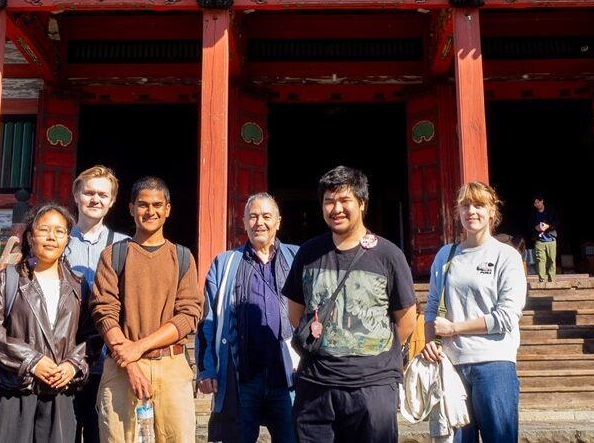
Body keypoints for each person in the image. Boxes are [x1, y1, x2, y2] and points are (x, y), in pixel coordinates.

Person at [282, 166, 416, 443]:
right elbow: (296, 313)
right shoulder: (308, 253)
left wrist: (372, 355)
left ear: (362, 204)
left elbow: (406, 319)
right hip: (316, 385)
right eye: (329, 201)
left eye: (345, 201)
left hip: (372, 386)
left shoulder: (388, 255)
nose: (336, 209)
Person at [90, 176, 201, 442]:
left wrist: (139, 347)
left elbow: (189, 315)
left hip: (172, 365)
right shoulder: (114, 255)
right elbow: (103, 312)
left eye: (157, 205)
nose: (150, 212)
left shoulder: (182, 257)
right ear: (130, 208)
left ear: (167, 210)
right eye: (142, 205)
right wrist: (130, 363)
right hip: (120, 367)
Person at [422, 182, 528, 443]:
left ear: (493, 211)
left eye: (479, 205)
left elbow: (506, 317)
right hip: (451, 365)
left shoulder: (507, 256)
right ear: (458, 212)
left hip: (494, 363)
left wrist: (455, 328)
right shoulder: (446, 255)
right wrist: (429, 343)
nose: (472, 211)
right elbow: (432, 305)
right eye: (465, 205)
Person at [0, 202, 90, 442]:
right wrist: (31, 361)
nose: (52, 237)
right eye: (44, 230)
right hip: (15, 388)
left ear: (67, 239)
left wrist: (73, 364)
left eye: (59, 231)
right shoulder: (8, 280)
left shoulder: (79, 285)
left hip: (62, 391)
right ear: (30, 236)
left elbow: (92, 335)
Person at [196, 193, 300, 443]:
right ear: (243, 222)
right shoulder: (225, 263)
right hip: (241, 378)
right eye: (253, 216)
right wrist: (206, 368)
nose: (259, 223)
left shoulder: (297, 258)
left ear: (278, 221)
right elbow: (207, 321)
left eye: (266, 216)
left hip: (288, 377)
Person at [63, 166, 130, 443]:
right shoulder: (59, 242)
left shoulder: (124, 245)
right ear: (76, 195)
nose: (95, 199)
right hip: (64, 361)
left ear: (112, 201)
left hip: (107, 364)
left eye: (103, 194)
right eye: (89, 192)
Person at [529, 195, 559, 283]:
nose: (536, 204)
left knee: (551, 260)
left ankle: (552, 280)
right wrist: (535, 227)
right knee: (540, 260)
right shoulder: (533, 213)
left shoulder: (551, 210)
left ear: (542, 201)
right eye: (535, 203)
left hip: (551, 239)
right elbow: (529, 225)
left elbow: (557, 221)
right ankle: (542, 280)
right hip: (539, 240)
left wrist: (548, 226)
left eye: (538, 202)